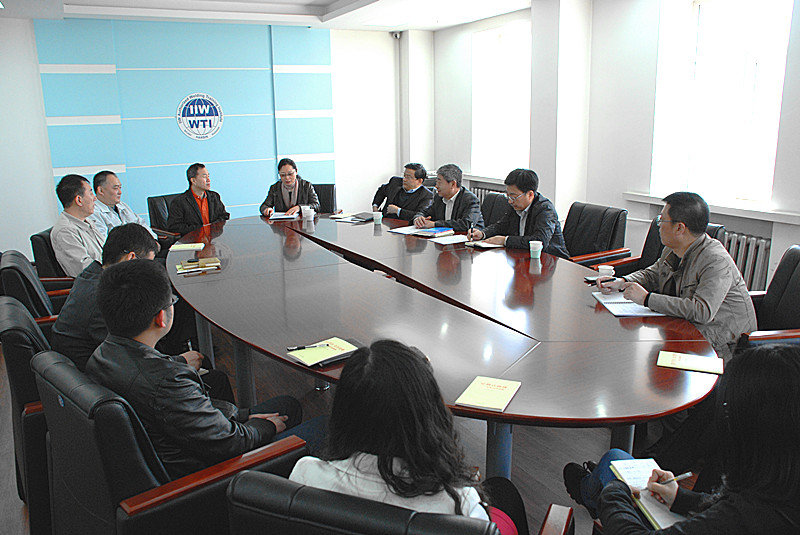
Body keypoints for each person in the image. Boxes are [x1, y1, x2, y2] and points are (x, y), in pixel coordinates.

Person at [86, 259, 326, 479]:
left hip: (182, 449)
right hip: (213, 478)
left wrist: (243, 417)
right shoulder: (168, 383)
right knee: (324, 427)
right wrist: (265, 426)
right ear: (161, 317)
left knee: (288, 406)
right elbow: (231, 443)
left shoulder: (102, 354)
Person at [290, 339, 529, 535]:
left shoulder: (304, 476)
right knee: (503, 491)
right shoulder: (458, 505)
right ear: (427, 416)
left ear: (343, 412)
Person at [562, 344, 800, 534]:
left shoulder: (740, 519)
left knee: (612, 467)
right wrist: (679, 497)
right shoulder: (779, 496)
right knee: (615, 458)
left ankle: (589, 493)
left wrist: (615, 492)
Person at [595, 192, 755, 361]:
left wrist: (646, 299)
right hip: (689, 330)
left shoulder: (715, 260)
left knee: (647, 360)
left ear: (679, 228)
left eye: (662, 220)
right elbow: (653, 274)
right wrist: (622, 282)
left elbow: (702, 311)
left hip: (723, 346)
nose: (658, 226)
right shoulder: (673, 248)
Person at [467, 169, 570, 259]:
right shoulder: (516, 205)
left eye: (513, 196)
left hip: (552, 261)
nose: (510, 201)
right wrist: (482, 234)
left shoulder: (545, 209)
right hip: (524, 258)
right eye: (508, 196)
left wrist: (505, 240)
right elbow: (501, 226)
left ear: (530, 194)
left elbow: (540, 241)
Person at [51, 174, 106, 277]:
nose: (94, 198)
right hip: (98, 282)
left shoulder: (87, 222)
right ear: (79, 200)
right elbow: (86, 271)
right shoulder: (65, 231)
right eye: (91, 193)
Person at [413, 164, 484, 231]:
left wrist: (435, 224)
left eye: (439, 182)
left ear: (452, 184)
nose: (436, 186)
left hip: (466, 237)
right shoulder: (439, 197)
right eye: (436, 182)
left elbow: (466, 224)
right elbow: (425, 212)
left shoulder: (470, 199)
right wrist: (418, 218)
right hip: (444, 237)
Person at [88, 170, 156, 239]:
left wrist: (153, 240)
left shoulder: (122, 206)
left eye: (120, 188)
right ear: (101, 190)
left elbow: (141, 224)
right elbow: (103, 240)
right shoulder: (93, 212)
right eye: (115, 188)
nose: (120, 192)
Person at [166, 163, 230, 236]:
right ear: (193, 180)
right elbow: (174, 227)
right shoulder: (180, 201)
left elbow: (224, 216)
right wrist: (201, 229)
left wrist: (213, 227)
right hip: (193, 240)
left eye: (208, 176)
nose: (208, 180)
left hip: (213, 238)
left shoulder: (214, 196)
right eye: (204, 177)